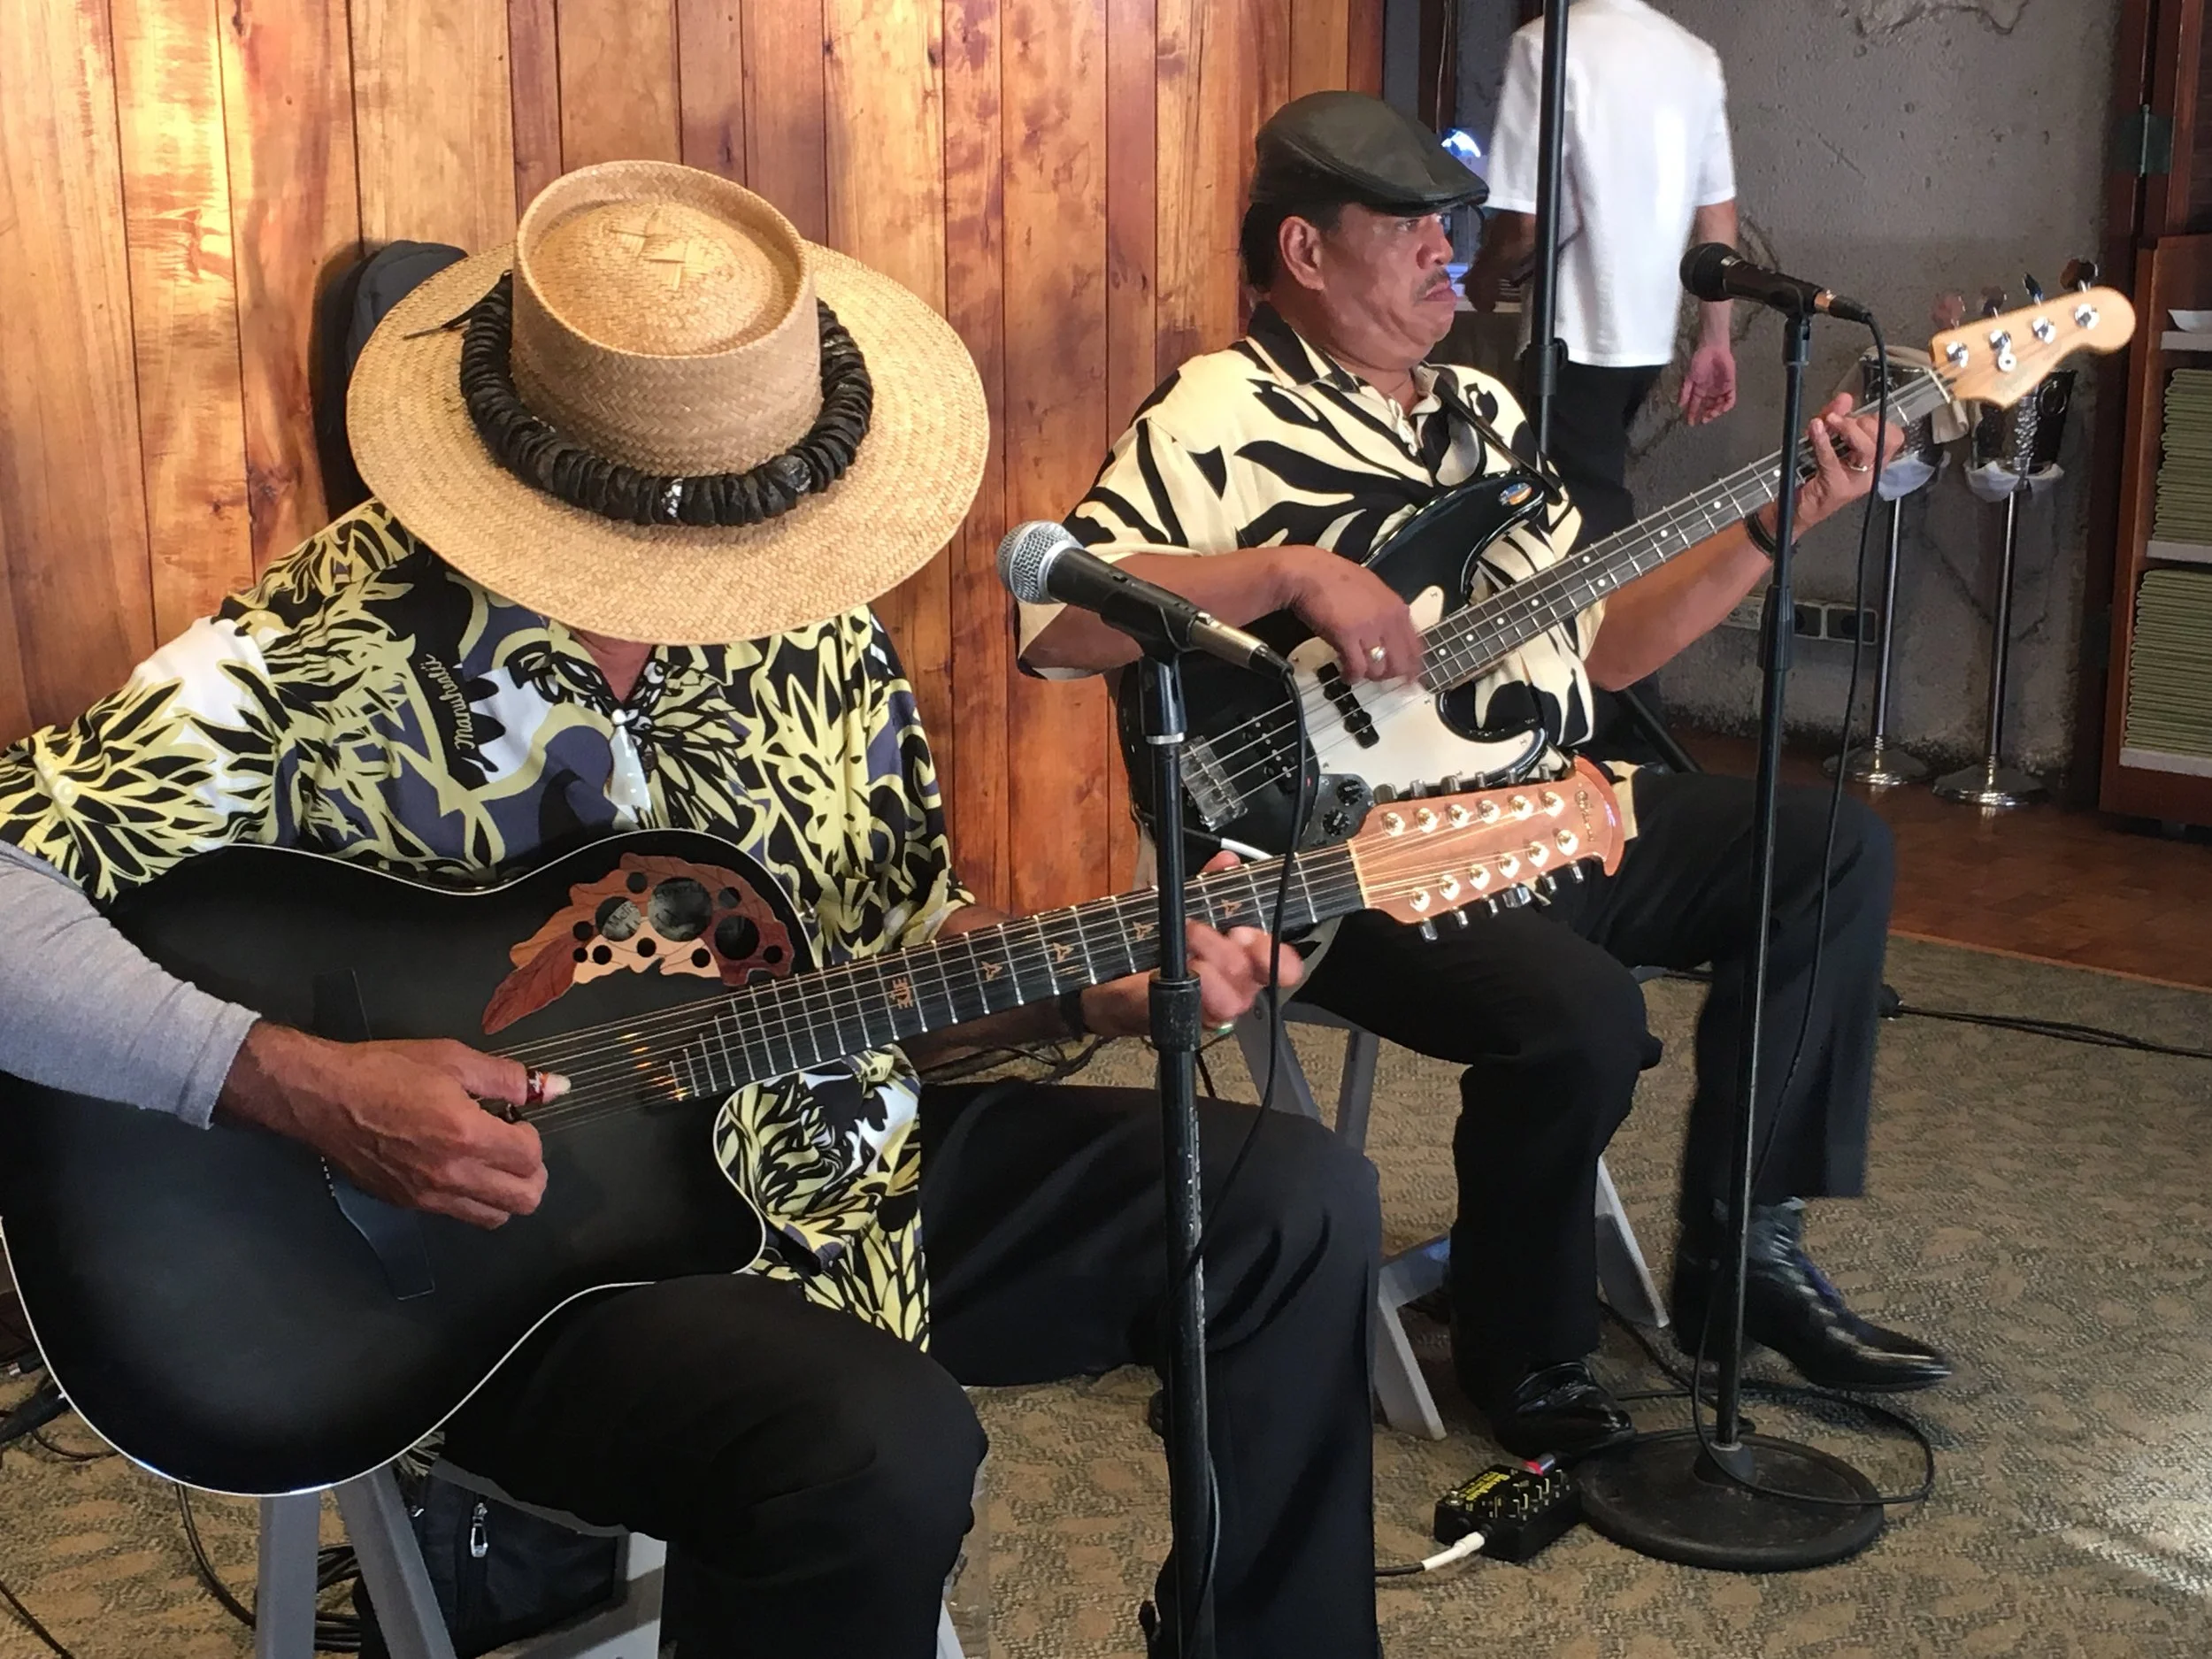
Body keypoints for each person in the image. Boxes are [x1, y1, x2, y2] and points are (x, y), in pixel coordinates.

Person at [0, 162, 1382, 1659]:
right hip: (515, 1272)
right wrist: (298, 1083)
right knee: (869, 1444)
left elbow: (900, 960)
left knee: (1291, 1203)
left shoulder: (815, 629)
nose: (708, 579)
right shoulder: (318, 654)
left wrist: (1076, 991)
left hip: (843, 1179)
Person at [1019, 92, 1950, 1462]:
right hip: (1342, 860)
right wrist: (1292, 570)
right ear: (1306, 251)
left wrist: (1788, 512)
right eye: (1406, 231)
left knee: (1829, 850)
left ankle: (1742, 1245)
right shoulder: (1219, 410)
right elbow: (1062, 626)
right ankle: (1528, 1352)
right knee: (1576, 1011)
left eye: (1446, 226)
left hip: (1546, 811)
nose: (1446, 252)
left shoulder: (1482, 411)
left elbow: (1608, 642)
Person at [1466, 0, 1741, 539]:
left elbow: (1525, 222)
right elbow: (1719, 212)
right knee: (1585, 496)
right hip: (1650, 341)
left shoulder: (1546, 44)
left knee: (1574, 518)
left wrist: (1483, 274)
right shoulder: (1695, 57)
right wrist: (1715, 341)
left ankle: (1617, 623)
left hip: (1573, 334)